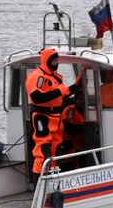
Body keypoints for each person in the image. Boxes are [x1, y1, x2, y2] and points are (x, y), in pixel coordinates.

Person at [24, 47, 82, 176]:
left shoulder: (55, 78)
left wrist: (77, 85)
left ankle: (52, 174)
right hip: (42, 117)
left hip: (56, 118)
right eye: (54, 61)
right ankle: (38, 179)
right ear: (47, 61)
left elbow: (62, 95)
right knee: (43, 150)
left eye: (57, 60)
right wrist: (59, 92)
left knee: (55, 148)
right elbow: (36, 97)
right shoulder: (37, 77)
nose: (57, 63)